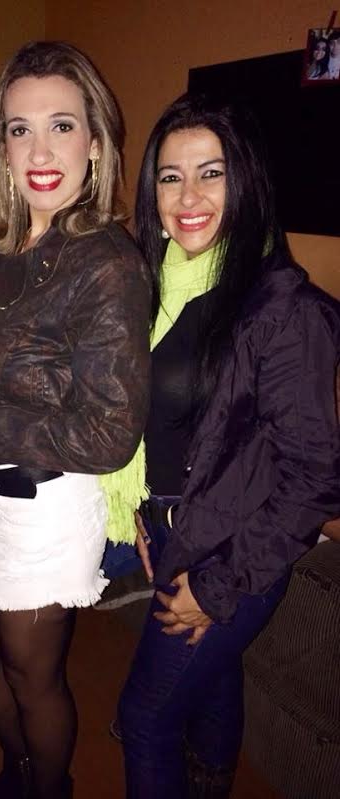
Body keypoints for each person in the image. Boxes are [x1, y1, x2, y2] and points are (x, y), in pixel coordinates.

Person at [117, 93, 340, 799]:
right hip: (171, 526)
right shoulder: (156, 286)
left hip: (230, 550)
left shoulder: (285, 312)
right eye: (170, 176)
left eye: (210, 173)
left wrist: (216, 586)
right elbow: (164, 424)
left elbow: (315, 475)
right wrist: (143, 508)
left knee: (143, 721)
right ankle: (210, 780)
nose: (188, 197)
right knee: (212, 682)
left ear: (245, 181)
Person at [0, 40, 150, 799]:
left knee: (34, 677)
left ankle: (45, 786)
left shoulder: (106, 263)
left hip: (45, 504)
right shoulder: (4, 255)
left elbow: (109, 434)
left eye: (61, 126)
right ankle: (22, 767)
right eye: (20, 129)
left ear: (95, 142)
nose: (39, 151)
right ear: (1, 147)